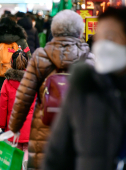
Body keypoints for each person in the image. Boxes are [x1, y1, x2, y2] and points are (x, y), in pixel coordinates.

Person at [9, 10, 95, 170]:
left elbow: (23, 96)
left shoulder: (40, 56)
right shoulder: (89, 58)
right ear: (79, 31)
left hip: (44, 132)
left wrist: (15, 126)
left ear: (53, 31)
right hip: (79, 133)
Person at [42, 7, 126, 170]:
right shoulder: (84, 88)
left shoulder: (42, 54)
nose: (103, 46)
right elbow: (57, 155)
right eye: (98, 39)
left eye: (110, 37)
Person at [0, 47, 35, 166]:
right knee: (28, 149)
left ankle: (19, 164)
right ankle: (27, 162)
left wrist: (1, 125)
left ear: (12, 63)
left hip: (14, 126)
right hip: (30, 125)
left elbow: (2, 106)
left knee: (16, 152)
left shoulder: (7, 83)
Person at [0, 17, 31, 105]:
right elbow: (28, 58)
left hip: (1, 75)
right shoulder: (21, 40)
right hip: (19, 76)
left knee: (1, 102)